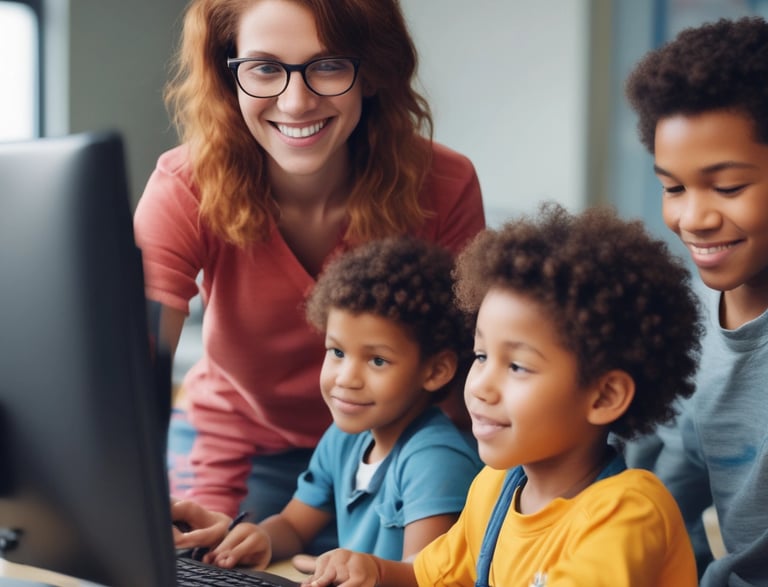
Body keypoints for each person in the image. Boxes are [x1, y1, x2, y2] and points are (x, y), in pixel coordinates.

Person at [132, 0, 485, 531]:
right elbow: (134, 373)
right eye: (265, 68)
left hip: (395, 448)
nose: (295, 103)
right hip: (236, 445)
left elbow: (469, 375)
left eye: (328, 65)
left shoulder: (445, 185)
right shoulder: (186, 186)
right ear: (230, 76)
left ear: (371, 72)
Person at [299, 203, 701, 587]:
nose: (479, 386)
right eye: (481, 355)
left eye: (517, 366)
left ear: (604, 396)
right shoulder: (495, 487)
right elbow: (427, 577)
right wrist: (371, 570)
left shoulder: (626, 512)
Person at [171, 237, 482, 572]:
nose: (346, 378)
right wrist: (262, 538)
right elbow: (294, 525)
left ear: (435, 371)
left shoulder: (435, 459)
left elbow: (426, 576)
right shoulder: (344, 437)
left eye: (377, 360)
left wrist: (369, 570)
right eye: (337, 352)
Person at [624, 16, 768, 585]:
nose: (694, 219)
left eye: (728, 187)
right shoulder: (692, 326)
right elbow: (661, 498)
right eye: (673, 187)